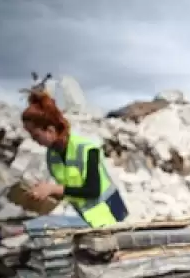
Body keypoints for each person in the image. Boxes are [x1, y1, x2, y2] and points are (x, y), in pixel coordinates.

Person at [21, 90, 128, 228]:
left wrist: (53, 189)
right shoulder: (52, 156)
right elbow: (69, 190)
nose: (34, 140)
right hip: (89, 218)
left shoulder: (87, 149)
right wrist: (44, 192)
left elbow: (92, 190)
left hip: (111, 215)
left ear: (51, 130)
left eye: (36, 135)